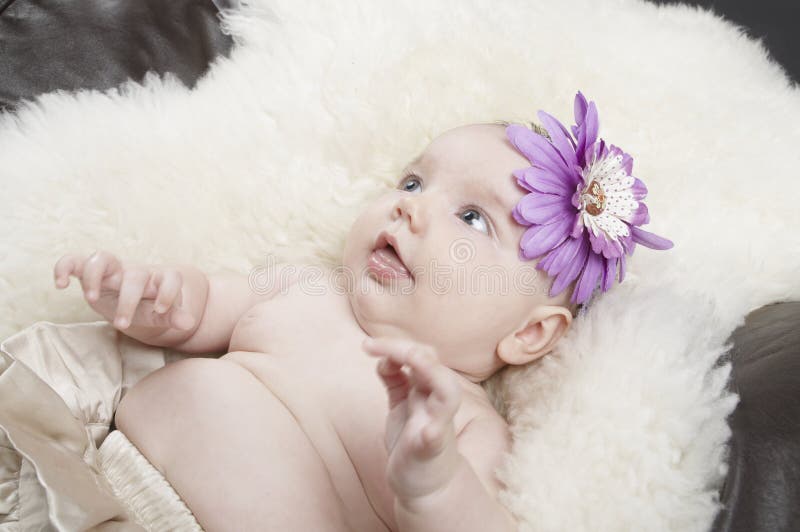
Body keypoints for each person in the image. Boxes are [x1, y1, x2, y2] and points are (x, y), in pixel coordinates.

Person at [52, 92, 671, 532]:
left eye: (472, 218)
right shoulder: (302, 286)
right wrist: (144, 294)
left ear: (531, 333)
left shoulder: (456, 424)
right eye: (412, 182)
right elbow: (196, 308)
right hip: (72, 480)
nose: (411, 210)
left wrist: (431, 481)